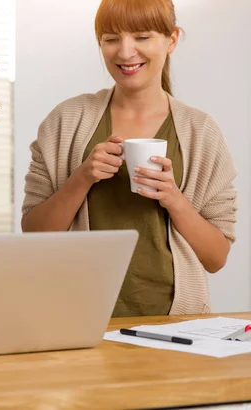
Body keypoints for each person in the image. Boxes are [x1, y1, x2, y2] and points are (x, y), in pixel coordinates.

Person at [21, 0, 237, 317]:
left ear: (172, 39)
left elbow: (216, 258)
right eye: (111, 39)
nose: (125, 52)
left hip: (174, 322)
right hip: (77, 318)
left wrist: (174, 199)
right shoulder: (66, 120)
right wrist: (82, 178)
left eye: (142, 36)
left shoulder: (200, 131)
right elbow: (34, 233)